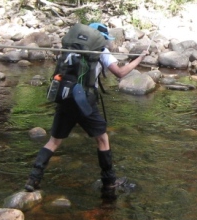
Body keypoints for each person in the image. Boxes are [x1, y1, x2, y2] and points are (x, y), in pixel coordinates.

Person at [25, 22, 148, 193]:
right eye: (105, 39)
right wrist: (140, 58)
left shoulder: (70, 48)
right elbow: (120, 73)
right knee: (103, 139)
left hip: (64, 96)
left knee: (54, 141)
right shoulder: (101, 51)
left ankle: (33, 178)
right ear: (100, 38)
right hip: (83, 100)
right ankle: (109, 181)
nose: (106, 42)